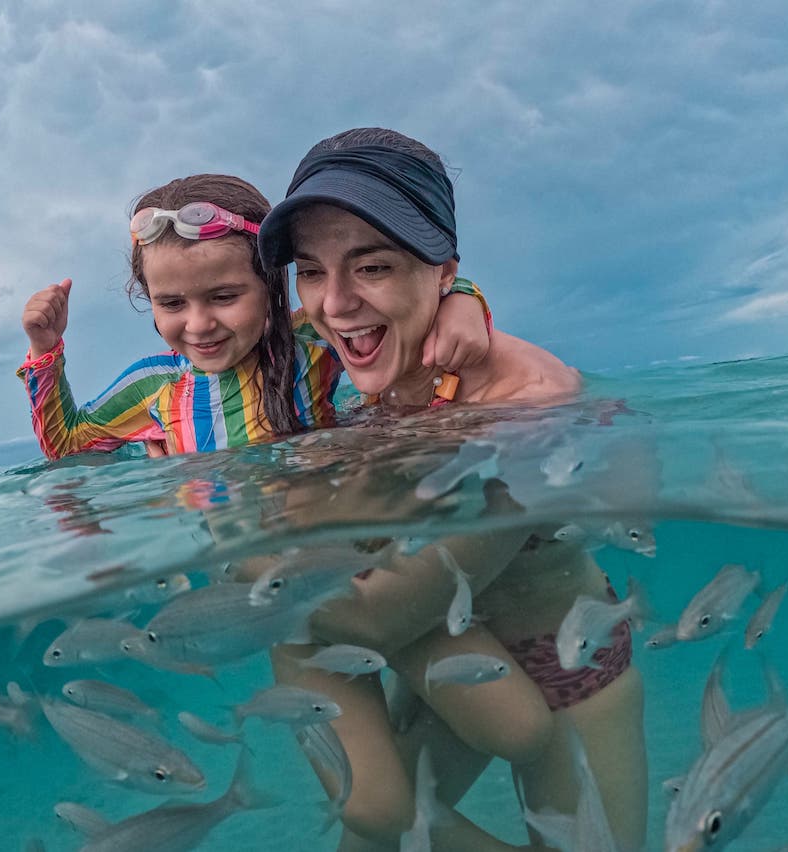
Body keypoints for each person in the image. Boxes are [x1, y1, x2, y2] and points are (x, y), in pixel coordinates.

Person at [256, 128, 647, 851]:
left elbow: (380, 620)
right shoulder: (349, 355)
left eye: (370, 266)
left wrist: (248, 564)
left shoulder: (525, 404)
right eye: (310, 271)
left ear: (440, 270)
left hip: (564, 667)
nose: (333, 305)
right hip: (451, 665)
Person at [17, 174, 493, 459]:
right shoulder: (154, 386)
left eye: (224, 297)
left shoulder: (313, 340)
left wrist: (463, 299)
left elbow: (405, 310)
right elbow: (68, 444)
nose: (199, 324)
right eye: (173, 304)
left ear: (271, 286)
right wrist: (46, 352)